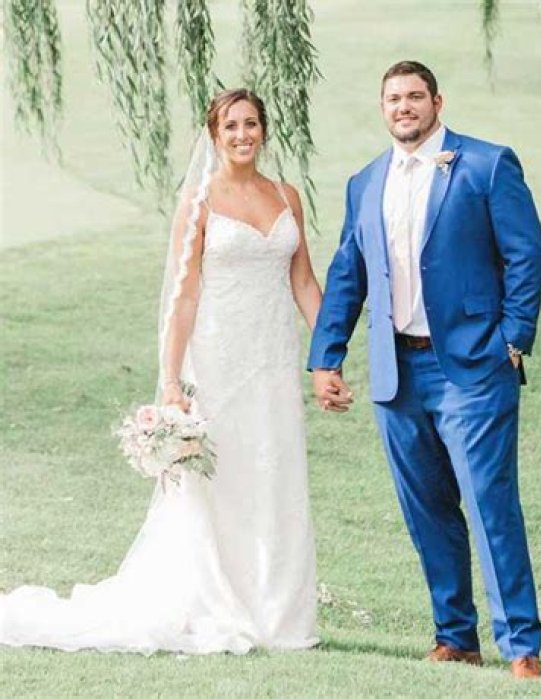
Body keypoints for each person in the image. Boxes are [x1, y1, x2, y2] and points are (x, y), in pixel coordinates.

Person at [0, 89, 321, 654]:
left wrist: (330, 352)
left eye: (251, 124)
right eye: (230, 126)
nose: (242, 135)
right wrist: (172, 381)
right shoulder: (199, 202)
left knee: (275, 474)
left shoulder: (285, 196)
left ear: (264, 131)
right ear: (214, 135)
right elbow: (184, 293)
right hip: (218, 359)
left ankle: (276, 613)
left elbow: (302, 281)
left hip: (273, 359)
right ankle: (216, 600)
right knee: (222, 479)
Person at [309, 61, 541, 679]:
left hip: (473, 368)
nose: (404, 107)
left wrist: (513, 340)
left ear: (437, 102)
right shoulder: (365, 183)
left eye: (415, 96)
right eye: (393, 98)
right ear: (382, 108)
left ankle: (521, 645)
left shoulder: (486, 165)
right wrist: (327, 355)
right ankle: (456, 637)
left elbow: (527, 255)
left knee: (490, 504)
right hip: (397, 373)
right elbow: (348, 272)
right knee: (427, 511)